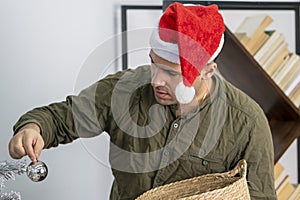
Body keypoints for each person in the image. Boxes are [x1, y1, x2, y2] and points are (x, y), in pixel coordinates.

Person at [8, 2, 277, 199]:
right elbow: (63, 117)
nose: (156, 80)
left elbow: (260, 196)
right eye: (153, 64)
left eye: (172, 73)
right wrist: (34, 128)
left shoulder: (247, 122)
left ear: (208, 71)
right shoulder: (125, 90)